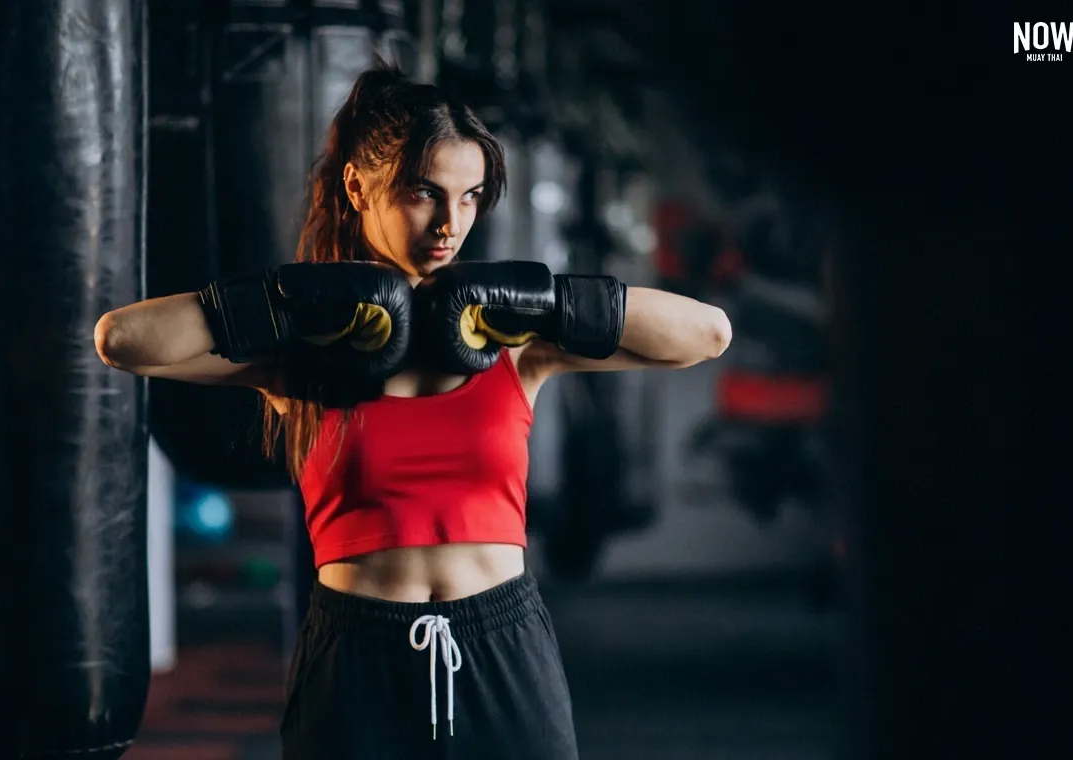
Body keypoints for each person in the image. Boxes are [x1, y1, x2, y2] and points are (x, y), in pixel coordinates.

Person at [94, 62, 732, 759]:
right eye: (424, 194)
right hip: (357, 657)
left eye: (470, 197)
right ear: (358, 187)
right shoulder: (303, 354)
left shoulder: (514, 346)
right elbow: (123, 340)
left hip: (503, 646)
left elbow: (707, 334)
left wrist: (550, 301)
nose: (450, 224)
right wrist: (287, 303)